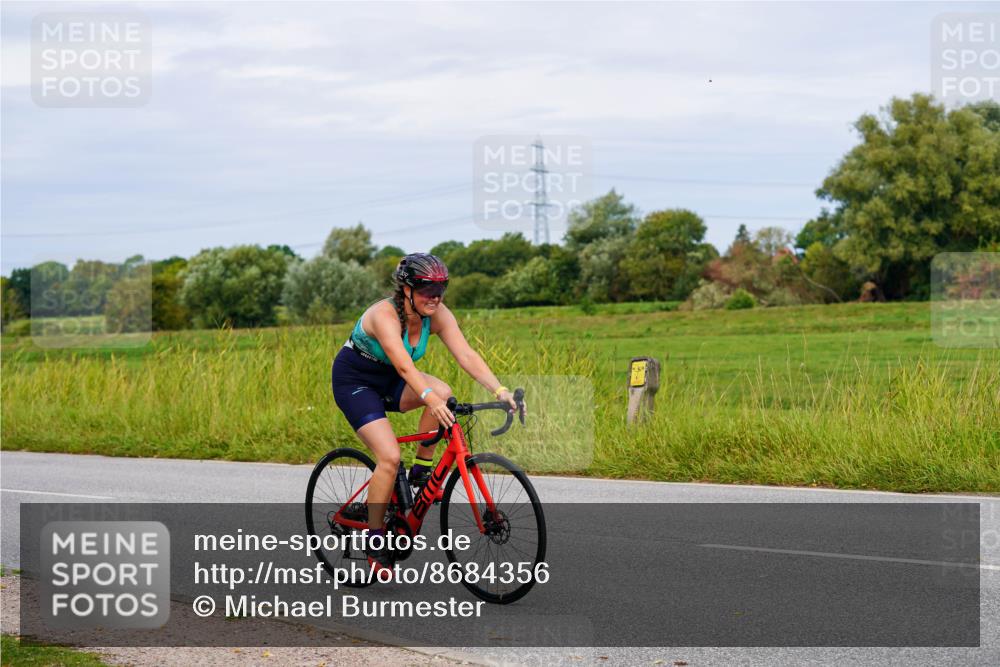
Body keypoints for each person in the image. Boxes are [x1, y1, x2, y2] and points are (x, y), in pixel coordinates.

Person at [330, 252, 517, 575]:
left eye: (440, 289)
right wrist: (429, 399)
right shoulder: (384, 315)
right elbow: (405, 366)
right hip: (356, 382)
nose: (435, 297)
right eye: (427, 290)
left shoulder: (437, 313)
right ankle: (375, 541)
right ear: (406, 289)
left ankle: (421, 470)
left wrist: (499, 390)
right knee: (389, 457)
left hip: (391, 378)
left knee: (443, 392)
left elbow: (466, 355)